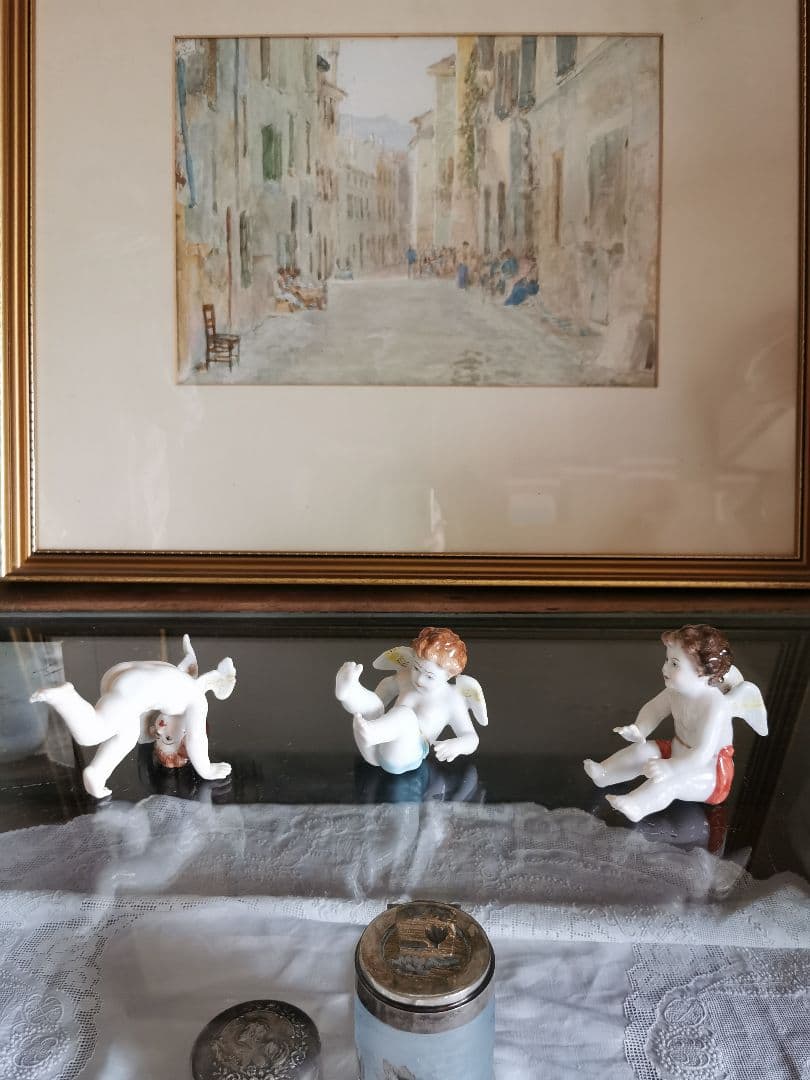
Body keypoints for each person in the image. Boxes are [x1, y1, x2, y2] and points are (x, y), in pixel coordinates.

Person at [583, 625, 767, 822]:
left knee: (670, 780)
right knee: (643, 750)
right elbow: (654, 709)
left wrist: (671, 767)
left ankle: (637, 805)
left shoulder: (715, 706)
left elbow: (703, 753)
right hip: (677, 751)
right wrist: (639, 728)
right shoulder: (675, 691)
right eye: (667, 660)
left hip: (709, 772)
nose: (665, 668)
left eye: (674, 664)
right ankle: (605, 774)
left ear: (702, 671)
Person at [335, 627, 488, 774]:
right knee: (374, 706)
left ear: (449, 675)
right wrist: (362, 698)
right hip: (373, 749)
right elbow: (378, 699)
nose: (419, 679)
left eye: (430, 676)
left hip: (405, 756)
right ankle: (348, 692)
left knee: (406, 716)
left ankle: (373, 732)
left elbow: (471, 738)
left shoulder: (453, 699)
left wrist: (456, 746)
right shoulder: (406, 678)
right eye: (416, 668)